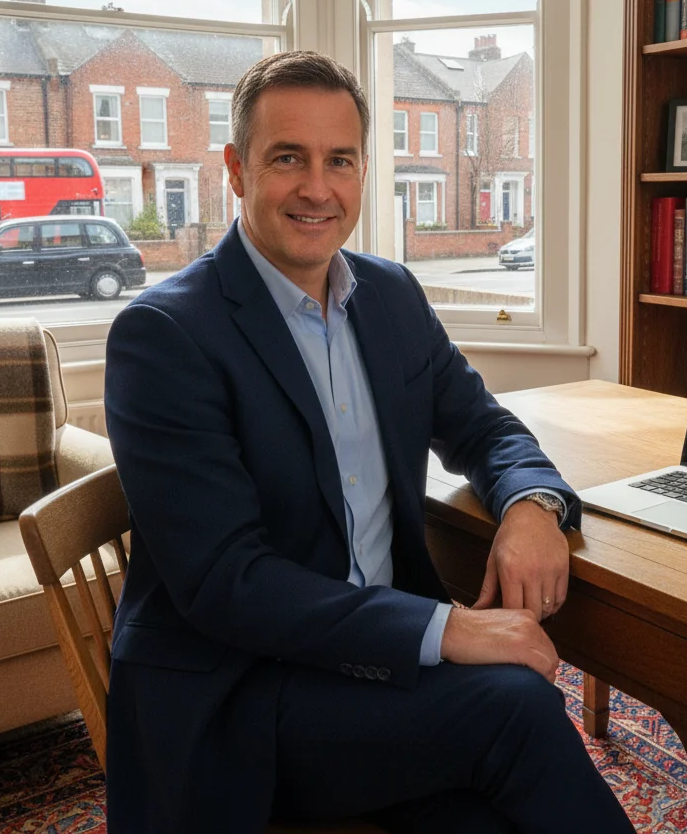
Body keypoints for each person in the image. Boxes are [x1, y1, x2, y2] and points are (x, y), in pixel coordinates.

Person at [103, 50, 636, 834]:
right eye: (289, 158)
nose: (318, 188)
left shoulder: (388, 296)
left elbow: (482, 426)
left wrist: (530, 504)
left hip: (372, 678)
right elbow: (227, 582)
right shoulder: (164, 335)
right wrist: (445, 629)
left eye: (340, 160)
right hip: (244, 695)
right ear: (236, 169)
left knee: (496, 811)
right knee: (514, 707)